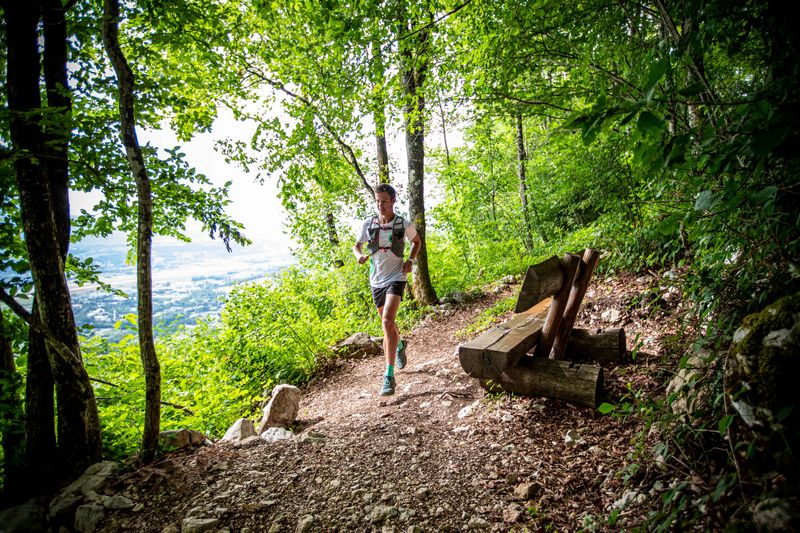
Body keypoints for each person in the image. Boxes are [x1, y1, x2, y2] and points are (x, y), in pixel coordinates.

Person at [353, 183, 421, 396]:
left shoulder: (403, 223)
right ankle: (399, 346)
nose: (380, 205)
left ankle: (388, 376)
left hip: (396, 276)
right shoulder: (369, 224)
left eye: (384, 201)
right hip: (376, 280)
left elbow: (416, 242)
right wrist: (359, 256)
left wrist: (410, 260)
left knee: (386, 322)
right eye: (377, 201)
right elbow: (357, 246)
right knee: (389, 324)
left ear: (392, 201)